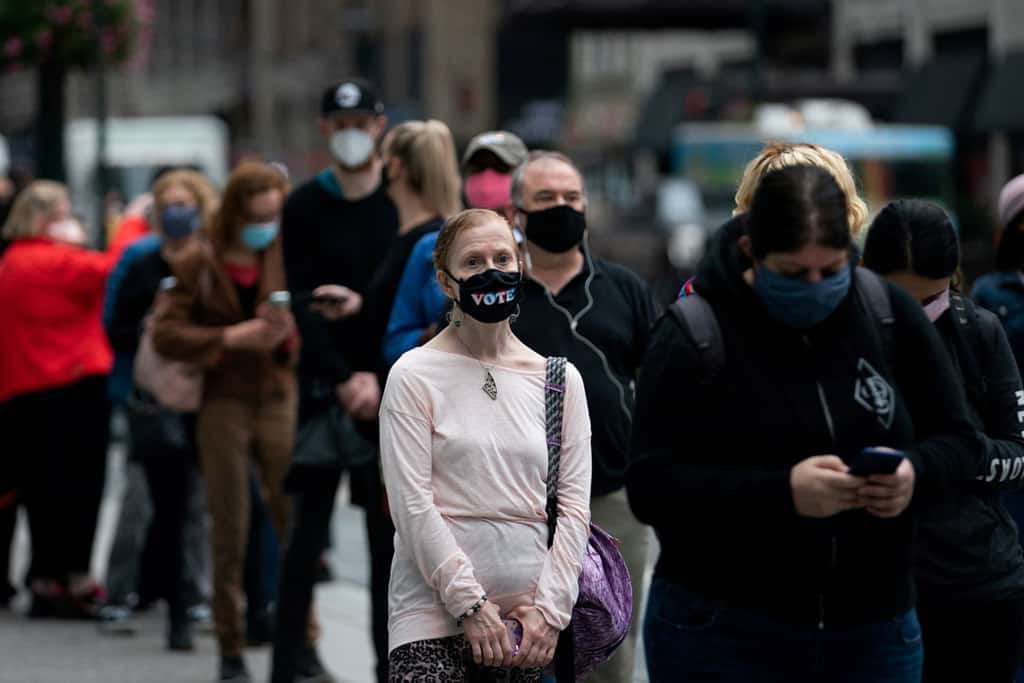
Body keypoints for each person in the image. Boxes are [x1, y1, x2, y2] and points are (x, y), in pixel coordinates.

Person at [628, 164, 982, 682]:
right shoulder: (695, 334)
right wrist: (782, 492)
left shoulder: (885, 313)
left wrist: (913, 473)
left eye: (831, 270)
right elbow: (651, 488)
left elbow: (961, 440)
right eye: (795, 273)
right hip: (725, 630)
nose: (816, 287)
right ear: (752, 252)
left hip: (874, 628)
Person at [381, 208, 592, 680]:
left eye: (502, 257)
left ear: (522, 265)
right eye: (473, 262)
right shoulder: (413, 375)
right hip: (432, 620)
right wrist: (470, 606)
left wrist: (550, 612)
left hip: (529, 627)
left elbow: (575, 509)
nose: (490, 271)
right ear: (445, 281)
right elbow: (411, 505)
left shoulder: (559, 380)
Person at [501, 150, 655, 683]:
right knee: (520, 645)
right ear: (516, 212)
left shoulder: (624, 288)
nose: (561, 208)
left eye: (572, 198)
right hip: (517, 503)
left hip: (611, 497)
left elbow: (659, 382)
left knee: (610, 639)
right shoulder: (498, 294)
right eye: (545, 199)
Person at [862, 198, 1024, 683]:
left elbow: (1017, 453)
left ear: (952, 279)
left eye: (929, 301)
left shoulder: (980, 332)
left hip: (978, 585)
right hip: (872, 590)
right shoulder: (841, 334)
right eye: (900, 302)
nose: (916, 318)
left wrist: (943, 459)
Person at [151, 161, 300, 683]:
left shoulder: (284, 255)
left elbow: (304, 329)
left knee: (292, 521)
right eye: (259, 215)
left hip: (278, 394)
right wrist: (229, 338)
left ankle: (302, 641)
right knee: (229, 526)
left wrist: (288, 334)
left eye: (275, 215)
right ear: (237, 210)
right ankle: (230, 646)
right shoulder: (200, 261)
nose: (267, 225)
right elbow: (165, 334)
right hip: (223, 402)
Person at [273, 77, 397, 683]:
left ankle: (387, 665)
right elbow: (300, 300)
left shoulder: (399, 203)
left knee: (387, 547)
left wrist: (377, 375)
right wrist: (344, 377)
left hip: (389, 392)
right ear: (326, 130)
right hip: (326, 392)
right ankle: (286, 660)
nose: (352, 136)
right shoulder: (303, 206)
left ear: (380, 127)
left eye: (362, 124)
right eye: (340, 125)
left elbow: (403, 298)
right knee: (306, 539)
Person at [0, 181, 125, 618]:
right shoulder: (59, 261)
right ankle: (69, 579)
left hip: (21, 390)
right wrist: (128, 223)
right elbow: (117, 267)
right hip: (74, 388)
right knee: (78, 489)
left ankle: (43, 577)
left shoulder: (11, 263)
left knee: (41, 491)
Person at [104, 169, 218, 649]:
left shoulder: (210, 261)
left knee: (194, 503)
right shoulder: (138, 258)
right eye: (167, 202)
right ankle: (121, 591)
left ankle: (191, 595)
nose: (177, 212)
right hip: (148, 397)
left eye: (184, 202)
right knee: (138, 499)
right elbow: (113, 323)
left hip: (200, 396)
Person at [383, 130, 526, 366]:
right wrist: (436, 336)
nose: (487, 178)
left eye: (501, 168)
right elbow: (395, 344)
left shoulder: (542, 251)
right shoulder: (432, 248)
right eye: (478, 169)